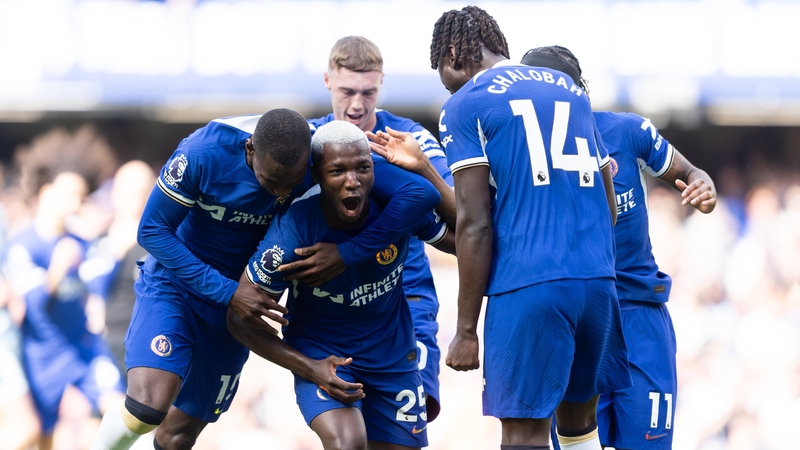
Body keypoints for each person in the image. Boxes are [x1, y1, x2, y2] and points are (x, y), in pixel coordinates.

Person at [90, 108, 443, 450]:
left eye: (289, 186)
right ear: (249, 150)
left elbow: (419, 194)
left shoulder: (321, 159)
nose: (278, 194)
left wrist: (347, 253)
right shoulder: (202, 154)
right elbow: (151, 231)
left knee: (179, 435)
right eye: (270, 181)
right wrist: (230, 292)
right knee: (147, 407)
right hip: (180, 285)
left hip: (243, 302)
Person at [429, 6, 631, 449]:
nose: (450, 86)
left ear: (453, 56)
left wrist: (465, 329)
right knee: (580, 428)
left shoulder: (465, 103)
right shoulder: (571, 90)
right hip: (597, 282)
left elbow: (475, 224)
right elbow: (610, 204)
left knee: (524, 434)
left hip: (529, 284)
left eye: (447, 77)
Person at [521, 45, 717, 450]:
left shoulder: (627, 132)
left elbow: (689, 170)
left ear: (580, 92)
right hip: (573, 318)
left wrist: (702, 182)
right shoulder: (517, 154)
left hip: (637, 316)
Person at [229, 120, 454, 450]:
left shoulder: (398, 209)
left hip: (392, 357)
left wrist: (348, 254)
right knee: (348, 443)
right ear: (317, 176)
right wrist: (310, 368)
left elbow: (461, 237)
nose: (353, 182)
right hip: (323, 354)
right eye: (337, 172)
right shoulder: (293, 235)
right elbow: (239, 319)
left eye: (363, 168)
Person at [299, 35, 454, 422]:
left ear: (381, 83)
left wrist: (421, 168)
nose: (356, 104)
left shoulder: (410, 138)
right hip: (329, 313)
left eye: (368, 92)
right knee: (347, 431)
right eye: (347, 90)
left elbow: (462, 214)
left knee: (408, 426)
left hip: (406, 297)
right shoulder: (307, 142)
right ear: (326, 81)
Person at [4, 170, 126, 450]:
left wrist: (108, 248)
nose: (74, 204)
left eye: (80, 197)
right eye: (68, 194)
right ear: (46, 193)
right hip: (43, 356)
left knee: (121, 412)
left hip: (84, 349)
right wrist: (56, 272)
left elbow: (101, 282)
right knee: (42, 435)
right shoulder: (24, 244)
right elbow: (34, 305)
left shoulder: (80, 241)